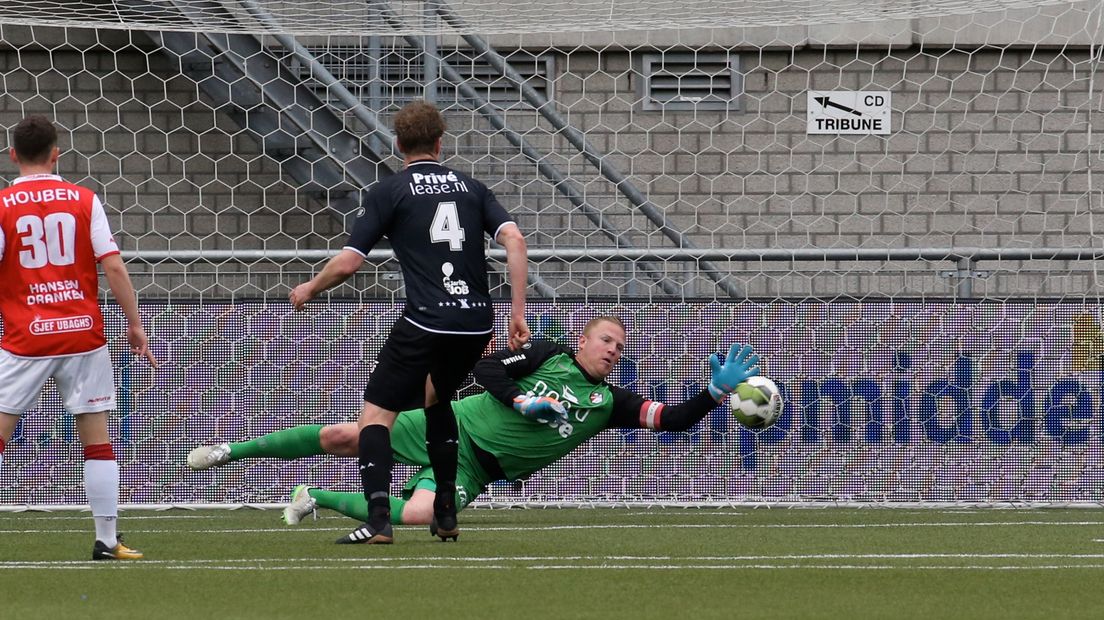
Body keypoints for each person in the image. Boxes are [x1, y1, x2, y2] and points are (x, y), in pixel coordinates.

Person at [187, 316, 759, 530]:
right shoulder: (546, 354)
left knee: (416, 514)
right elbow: (487, 368)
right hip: (451, 424)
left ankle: (314, 496)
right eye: (606, 340)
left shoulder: (610, 404)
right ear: (583, 340)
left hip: (476, 467)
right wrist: (522, 403)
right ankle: (230, 451)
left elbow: (675, 419)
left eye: (619, 346)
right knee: (346, 435)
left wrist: (714, 392)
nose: (613, 350)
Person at [285, 100, 529, 544]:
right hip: (475, 322)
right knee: (437, 402)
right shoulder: (473, 188)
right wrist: (516, 312)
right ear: (440, 142)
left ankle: (378, 519)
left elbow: (347, 263)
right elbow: (514, 237)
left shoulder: (389, 190)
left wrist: (309, 288)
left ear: (397, 144)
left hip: (428, 319)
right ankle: (447, 515)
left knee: (376, 415)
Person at [0, 115, 159, 560]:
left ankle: (109, 540)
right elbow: (112, 265)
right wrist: (135, 324)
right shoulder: (83, 200)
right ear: (57, 153)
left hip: (24, 338)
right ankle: (107, 540)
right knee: (97, 438)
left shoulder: (3, 206)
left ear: (13, 155)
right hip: (82, 335)